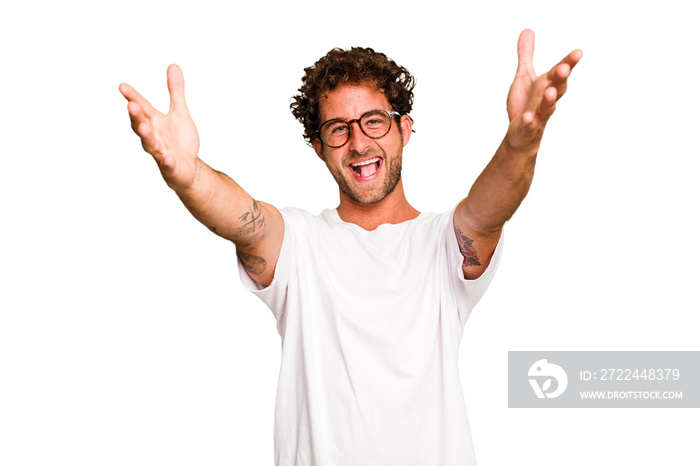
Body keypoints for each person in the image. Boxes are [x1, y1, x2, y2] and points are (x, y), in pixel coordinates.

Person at [119, 29, 581, 466]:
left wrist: (523, 143)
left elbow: (487, 210)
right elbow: (245, 221)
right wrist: (189, 174)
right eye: (338, 129)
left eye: (374, 121)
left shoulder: (443, 243)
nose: (359, 143)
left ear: (405, 129)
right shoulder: (299, 244)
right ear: (319, 147)